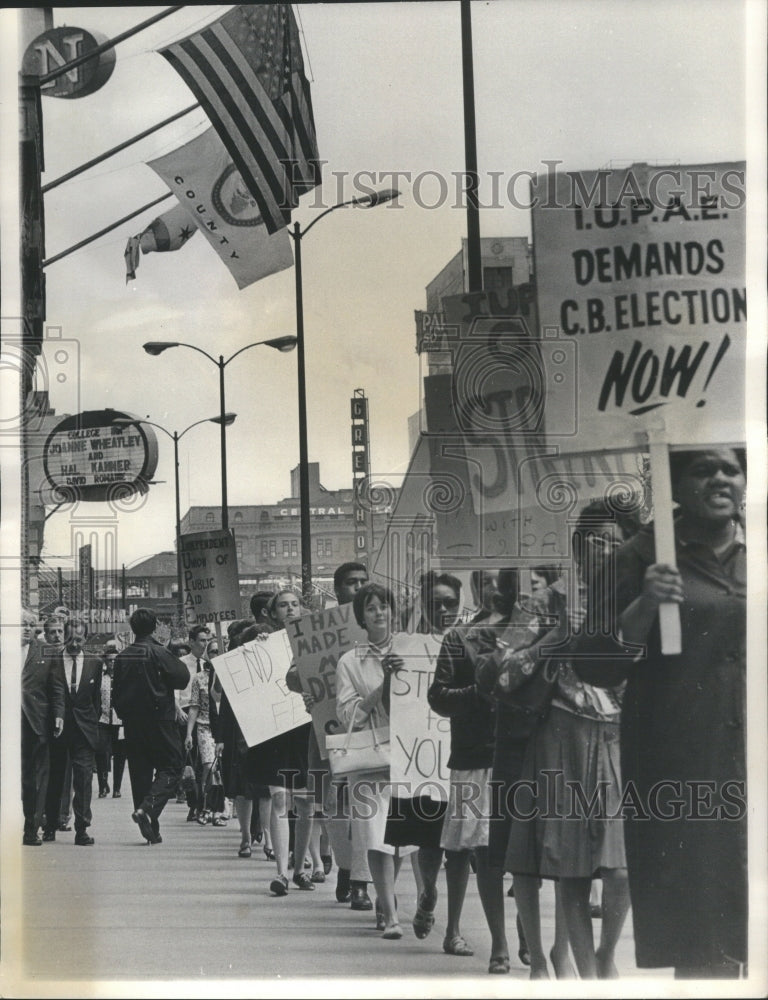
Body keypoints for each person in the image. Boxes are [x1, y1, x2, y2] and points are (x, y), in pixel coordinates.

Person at [574, 447, 747, 978]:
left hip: (754, 760)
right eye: (704, 468)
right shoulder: (638, 555)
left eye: (732, 468)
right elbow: (594, 662)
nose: (720, 478)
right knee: (703, 936)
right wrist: (645, 603)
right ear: (675, 482)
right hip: (684, 765)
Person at [505, 499, 639, 979]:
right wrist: (555, 638)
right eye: (598, 542)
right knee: (571, 869)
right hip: (560, 734)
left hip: (620, 736)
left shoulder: (636, 598)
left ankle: (606, 953)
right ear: (580, 548)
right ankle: (589, 975)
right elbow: (498, 674)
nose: (607, 552)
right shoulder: (545, 601)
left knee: (622, 867)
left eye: (617, 543)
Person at [471, 569, 572, 976]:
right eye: (526, 584)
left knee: (570, 856)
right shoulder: (487, 630)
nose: (535, 591)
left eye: (541, 581)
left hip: (567, 739)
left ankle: (562, 952)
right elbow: (490, 679)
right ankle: (537, 959)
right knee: (520, 854)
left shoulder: (577, 613)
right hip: (516, 741)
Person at [287, 561, 375, 908]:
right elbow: (293, 676)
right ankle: (345, 866)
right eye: (351, 583)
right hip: (329, 731)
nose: (358, 587)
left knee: (366, 808)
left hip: (371, 730)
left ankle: (362, 881)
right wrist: (305, 687)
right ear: (337, 590)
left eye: (363, 582)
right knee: (335, 809)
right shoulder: (317, 628)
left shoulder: (382, 623)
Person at [335, 582, 414, 939]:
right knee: (373, 833)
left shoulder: (412, 650)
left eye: (384, 606)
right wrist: (382, 685)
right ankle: (390, 909)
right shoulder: (350, 662)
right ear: (361, 617)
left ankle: (385, 897)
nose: (379, 612)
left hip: (407, 755)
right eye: (371, 608)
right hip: (368, 759)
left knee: (397, 836)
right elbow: (347, 713)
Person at [386, 572, 461, 942]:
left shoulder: (473, 642)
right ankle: (428, 891)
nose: (444, 610)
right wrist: (390, 678)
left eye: (450, 602)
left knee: (467, 847)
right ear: (423, 606)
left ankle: (455, 930)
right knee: (430, 838)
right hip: (425, 758)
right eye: (436, 603)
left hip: (467, 753)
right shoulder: (405, 647)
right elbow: (392, 707)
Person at [250, 590, 317, 896]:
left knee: (304, 804)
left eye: (294, 604)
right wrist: (257, 650)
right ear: (272, 613)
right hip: (278, 731)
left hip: (306, 729)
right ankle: (281, 872)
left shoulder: (316, 641)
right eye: (282, 605)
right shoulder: (262, 646)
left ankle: (300, 866)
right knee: (280, 799)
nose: (289, 609)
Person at [113, 608, 190, 845]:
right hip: (161, 719)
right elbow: (182, 677)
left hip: (133, 723)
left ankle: (149, 824)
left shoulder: (123, 656)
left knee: (140, 773)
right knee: (172, 767)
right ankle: (148, 809)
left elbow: (116, 694)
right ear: (155, 626)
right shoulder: (159, 652)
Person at [46, 619, 102, 846]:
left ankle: (82, 829)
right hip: (58, 729)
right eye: (70, 638)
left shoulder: (94, 663)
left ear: (85, 639)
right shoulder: (53, 660)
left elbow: (95, 698)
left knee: (83, 780)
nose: (74, 644)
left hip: (84, 730)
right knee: (56, 778)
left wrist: (92, 723)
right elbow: (53, 692)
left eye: (79, 639)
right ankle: (50, 826)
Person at [21, 610, 53, 845]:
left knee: (31, 779)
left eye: (30, 625)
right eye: (21, 624)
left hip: (33, 723)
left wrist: (57, 717)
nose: (25, 628)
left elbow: (55, 688)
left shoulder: (45, 651)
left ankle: (31, 829)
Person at [178, 626, 211, 820]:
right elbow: (173, 690)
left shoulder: (208, 665)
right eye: (201, 640)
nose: (205, 644)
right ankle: (193, 802)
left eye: (207, 640)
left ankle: (202, 804)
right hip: (183, 714)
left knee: (204, 763)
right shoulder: (181, 664)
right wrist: (177, 711)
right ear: (191, 642)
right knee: (187, 763)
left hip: (204, 717)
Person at [96, 640, 126, 799]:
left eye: (115, 660)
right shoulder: (101, 678)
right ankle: (102, 786)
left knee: (120, 756)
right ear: (105, 662)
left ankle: (117, 787)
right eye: (109, 660)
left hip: (120, 722)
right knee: (102, 753)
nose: (112, 663)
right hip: (103, 720)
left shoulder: (125, 678)